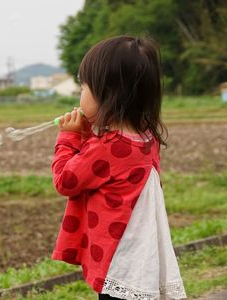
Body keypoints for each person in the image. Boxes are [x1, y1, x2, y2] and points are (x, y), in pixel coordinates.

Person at [51, 35, 187, 300]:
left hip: (119, 261)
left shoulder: (106, 147)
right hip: (142, 254)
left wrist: (68, 137)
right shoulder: (147, 136)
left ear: (107, 94)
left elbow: (65, 180)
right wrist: (89, 134)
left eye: (83, 87)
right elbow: (109, 166)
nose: (80, 94)